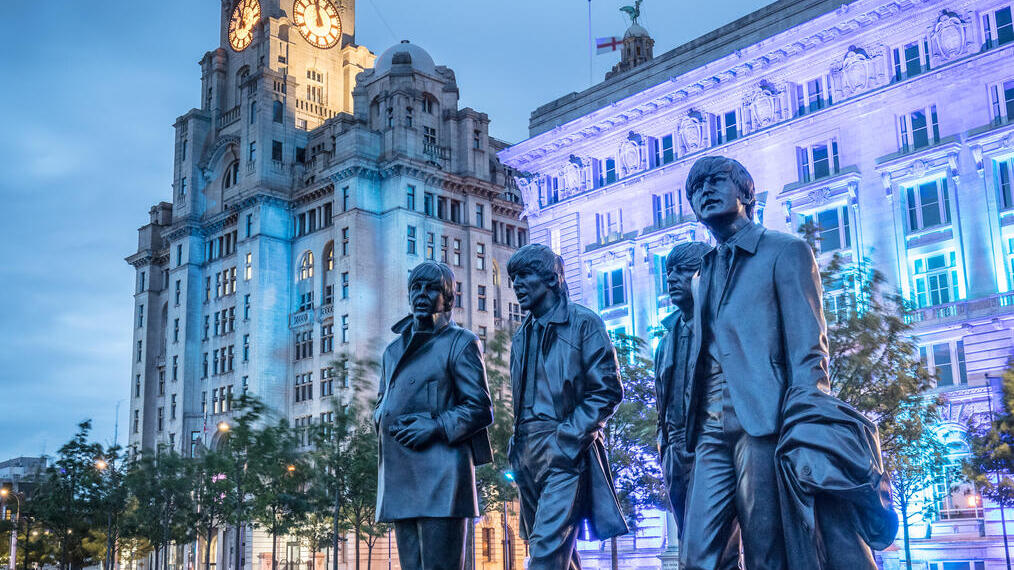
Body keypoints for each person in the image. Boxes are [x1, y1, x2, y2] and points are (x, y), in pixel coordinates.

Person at [679, 156, 891, 570]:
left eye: (715, 181)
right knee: (697, 556)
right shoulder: (702, 274)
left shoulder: (784, 251)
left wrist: (805, 420)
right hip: (709, 430)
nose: (703, 191)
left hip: (766, 423)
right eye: (694, 188)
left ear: (745, 192)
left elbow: (809, 346)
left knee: (767, 550)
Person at [506, 243, 627, 569]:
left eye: (523, 275)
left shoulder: (584, 324)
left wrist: (567, 437)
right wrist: (516, 448)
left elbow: (608, 391)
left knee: (546, 554)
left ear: (550, 278)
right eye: (512, 278)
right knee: (557, 554)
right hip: (526, 455)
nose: (516, 284)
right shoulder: (521, 337)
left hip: (563, 448)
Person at [374, 261, 494, 570]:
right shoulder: (392, 351)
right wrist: (383, 418)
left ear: (449, 299)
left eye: (431, 288)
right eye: (416, 287)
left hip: (443, 477)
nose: (422, 294)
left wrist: (435, 425)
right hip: (401, 474)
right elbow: (381, 401)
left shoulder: (461, 342)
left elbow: (480, 407)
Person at [654, 241, 740, 569]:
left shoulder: (724, 327)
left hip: (714, 446)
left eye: (681, 270)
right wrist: (666, 447)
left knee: (701, 552)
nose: (672, 279)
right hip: (677, 455)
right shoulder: (666, 339)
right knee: (711, 551)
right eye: (668, 272)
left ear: (704, 273)